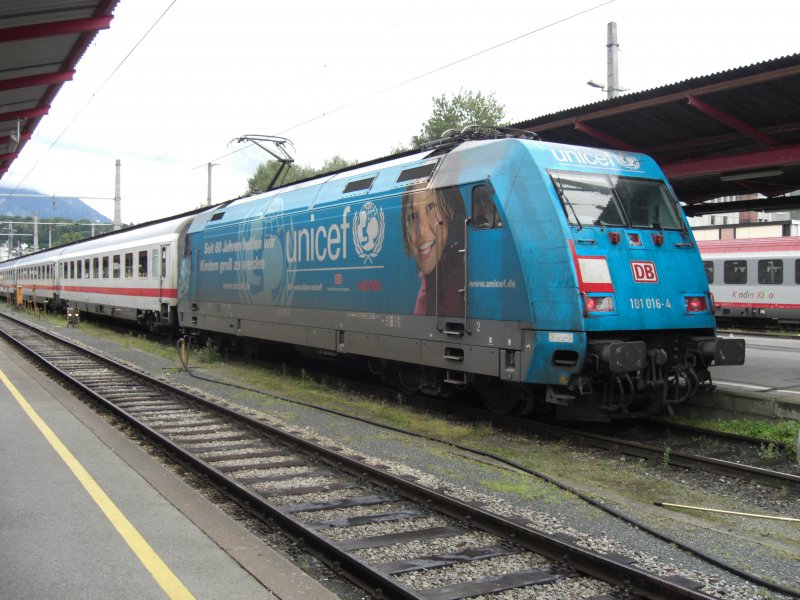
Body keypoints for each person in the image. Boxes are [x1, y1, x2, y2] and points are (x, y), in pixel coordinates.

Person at [400, 184, 466, 316]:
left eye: (431, 207)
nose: (421, 230)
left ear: (450, 209)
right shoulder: (426, 291)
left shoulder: (459, 283)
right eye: (412, 216)